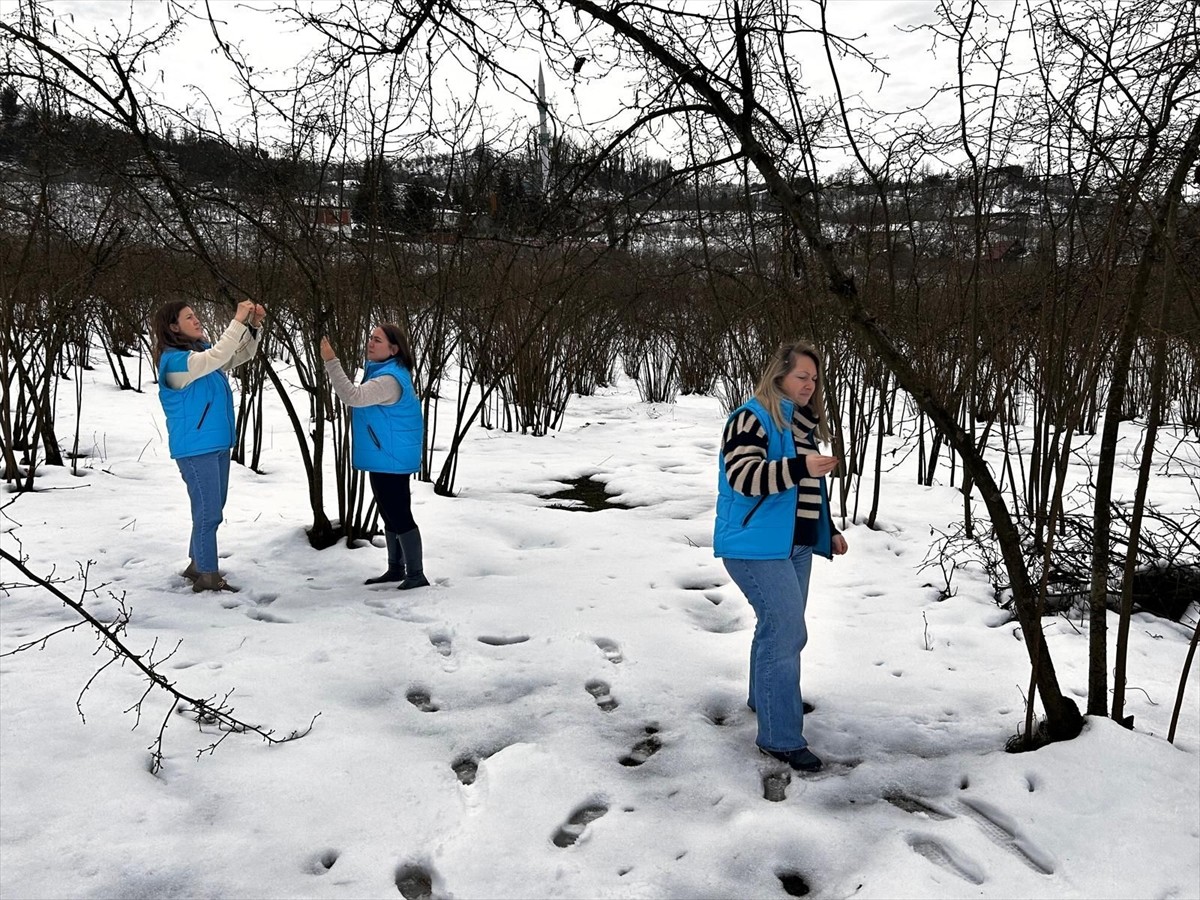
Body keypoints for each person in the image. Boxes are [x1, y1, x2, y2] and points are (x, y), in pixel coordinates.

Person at [714, 340, 849, 773]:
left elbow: (806, 491)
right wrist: (801, 467)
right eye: (800, 376)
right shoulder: (750, 419)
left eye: (814, 379)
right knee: (787, 632)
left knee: (776, 628)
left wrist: (828, 530)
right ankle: (780, 737)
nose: (809, 385)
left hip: (796, 545)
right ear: (778, 376)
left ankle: (768, 699)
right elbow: (744, 478)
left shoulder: (801, 425)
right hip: (755, 547)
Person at [152, 299, 266, 593]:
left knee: (211, 508)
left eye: (195, 315)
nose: (197, 320)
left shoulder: (199, 354)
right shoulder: (175, 363)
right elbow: (220, 354)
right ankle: (208, 576)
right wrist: (237, 321)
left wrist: (252, 326)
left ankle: (197, 564)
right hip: (195, 449)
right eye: (189, 317)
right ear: (173, 327)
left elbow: (237, 355)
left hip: (214, 444)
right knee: (208, 512)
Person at [320, 324, 429, 590]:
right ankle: (396, 569)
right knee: (389, 513)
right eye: (370, 337)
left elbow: (352, 396)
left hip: (391, 458)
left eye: (377, 340)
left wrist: (331, 361)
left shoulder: (389, 380)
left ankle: (416, 575)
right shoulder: (385, 372)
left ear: (394, 349)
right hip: (385, 456)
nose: (370, 343)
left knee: (399, 514)